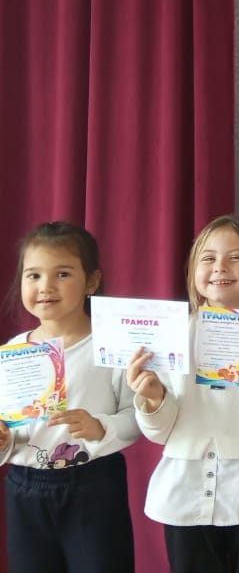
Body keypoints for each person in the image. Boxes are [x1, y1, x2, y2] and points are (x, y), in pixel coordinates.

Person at [129, 216, 239, 572]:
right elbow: (160, 432)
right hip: (185, 497)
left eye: (236, 257)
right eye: (208, 258)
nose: (220, 267)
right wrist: (153, 398)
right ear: (193, 271)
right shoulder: (175, 330)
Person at [1, 222, 139, 573]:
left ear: (91, 282)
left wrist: (100, 427)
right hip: (24, 487)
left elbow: (136, 416)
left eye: (62, 274)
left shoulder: (111, 345)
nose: (45, 286)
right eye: (33, 275)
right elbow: (8, 427)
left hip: (93, 485)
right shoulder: (13, 351)